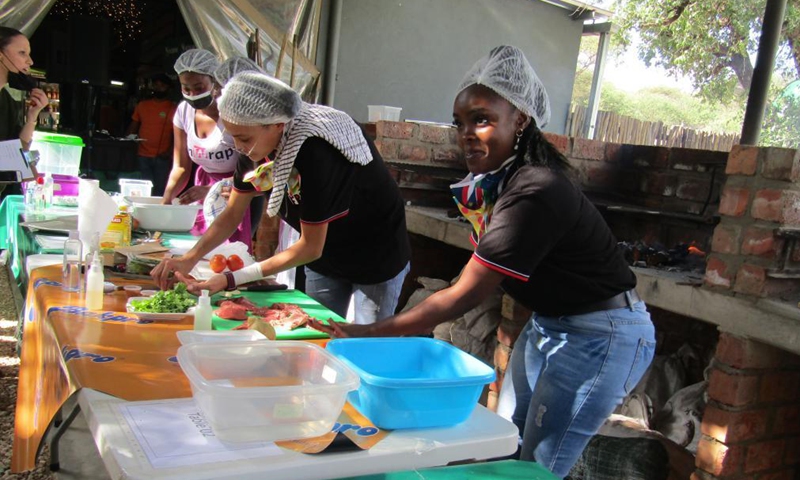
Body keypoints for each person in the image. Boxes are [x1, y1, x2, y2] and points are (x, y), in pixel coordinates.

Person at [309, 45, 656, 477]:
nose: (467, 133)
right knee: (506, 441)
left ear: (521, 120)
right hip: (550, 324)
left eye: (482, 120)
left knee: (540, 464)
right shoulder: (502, 183)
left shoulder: (537, 189)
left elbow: (462, 297)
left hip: (599, 335)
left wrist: (368, 331)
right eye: (460, 123)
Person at [152, 71, 411, 324]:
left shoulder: (316, 151)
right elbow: (232, 214)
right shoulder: (253, 144)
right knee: (317, 334)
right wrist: (189, 258)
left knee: (363, 342)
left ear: (277, 124)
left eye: (243, 138)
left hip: (374, 253)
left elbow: (310, 246)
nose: (238, 147)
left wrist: (232, 279)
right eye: (232, 136)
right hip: (323, 256)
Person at [163, 48, 251, 246]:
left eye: (199, 87)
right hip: (202, 187)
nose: (193, 94)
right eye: (186, 89)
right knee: (200, 249)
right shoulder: (183, 112)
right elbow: (181, 167)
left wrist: (212, 190)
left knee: (228, 253)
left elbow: (254, 169)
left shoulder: (231, 113)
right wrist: (166, 200)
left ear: (214, 82)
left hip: (238, 188)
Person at [126, 73, 177, 196]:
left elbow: (178, 134)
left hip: (162, 156)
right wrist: (128, 142)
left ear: (169, 88)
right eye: (156, 85)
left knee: (160, 191)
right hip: (142, 154)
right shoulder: (142, 105)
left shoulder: (175, 108)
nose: (159, 88)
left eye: (162, 85)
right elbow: (134, 126)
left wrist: (170, 152)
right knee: (142, 190)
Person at [0, 27, 47, 147]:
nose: (30, 61)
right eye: (22, 53)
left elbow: (19, 150)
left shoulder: (7, 102)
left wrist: (32, 118)